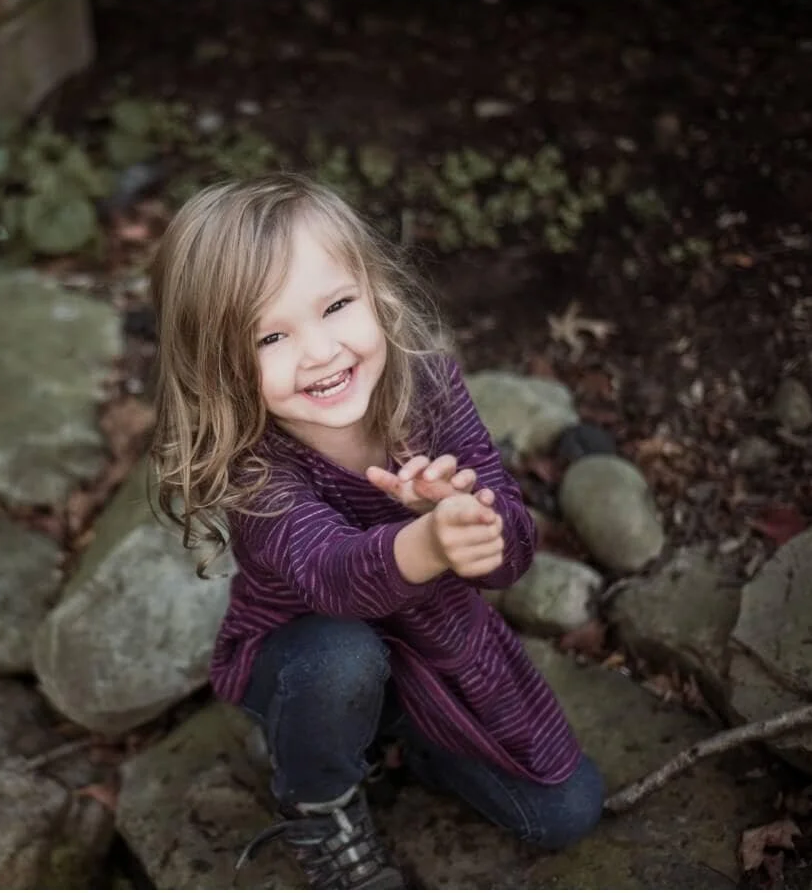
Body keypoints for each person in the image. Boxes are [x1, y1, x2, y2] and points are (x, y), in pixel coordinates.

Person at [148, 173, 604, 890]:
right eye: (271, 335)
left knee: (567, 811)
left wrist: (471, 519)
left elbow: (509, 556)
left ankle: (407, 739)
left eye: (336, 305)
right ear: (218, 366)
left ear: (375, 289)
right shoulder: (254, 471)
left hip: (431, 649)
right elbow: (331, 574)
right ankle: (318, 799)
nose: (322, 351)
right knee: (342, 658)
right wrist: (426, 544)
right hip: (306, 654)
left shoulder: (429, 388)